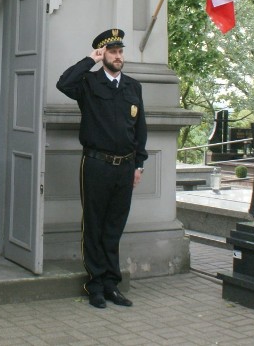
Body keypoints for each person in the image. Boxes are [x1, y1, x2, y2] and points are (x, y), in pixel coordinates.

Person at [56, 28, 147, 309]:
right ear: (102, 54)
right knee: (94, 225)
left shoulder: (133, 87)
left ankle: (111, 285)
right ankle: (94, 285)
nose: (118, 56)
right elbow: (63, 83)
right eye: (112, 52)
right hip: (96, 164)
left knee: (114, 227)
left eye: (120, 52)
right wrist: (89, 59)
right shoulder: (88, 82)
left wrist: (139, 164)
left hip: (125, 167)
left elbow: (140, 128)